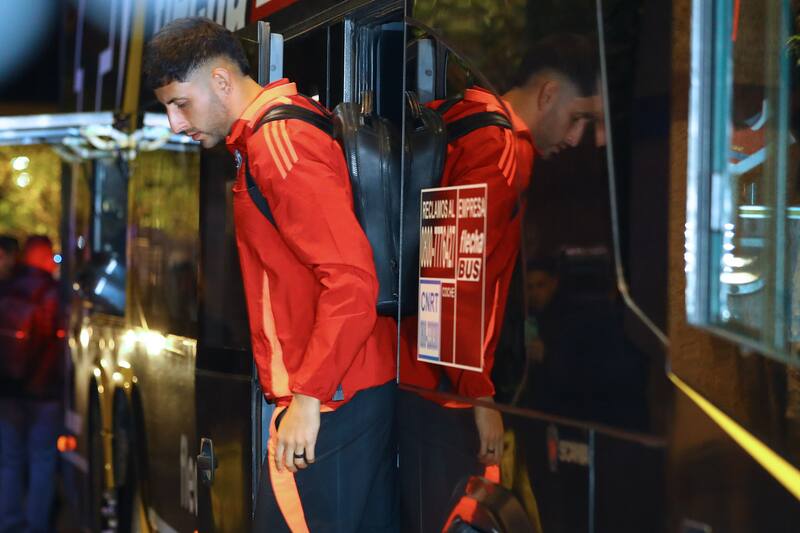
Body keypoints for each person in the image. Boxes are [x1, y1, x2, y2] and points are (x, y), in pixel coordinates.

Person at [143, 17, 397, 532]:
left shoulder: (277, 144)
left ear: (220, 80)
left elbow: (351, 278)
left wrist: (308, 397)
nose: (174, 123)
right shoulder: (266, 138)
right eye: (166, 107)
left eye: (179, 103)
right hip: (338, 392)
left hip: (330, 400)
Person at [399, 33, 602, 532]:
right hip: (446, 391)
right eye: (579, 118)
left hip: (417, 374)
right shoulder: (503, 147)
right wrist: (480, 396)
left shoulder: (464, 116)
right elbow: (459, 274)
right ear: (548, 94)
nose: (576, 139)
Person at [0, 235, 63, 533]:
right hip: (44, 394)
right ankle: (36, 525)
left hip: (9, 392)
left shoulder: (7, 288)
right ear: (44, 258)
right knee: (42, 461)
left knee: (10, 461)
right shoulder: (52, 293)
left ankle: (9, 522)